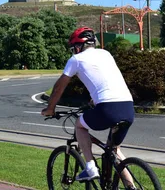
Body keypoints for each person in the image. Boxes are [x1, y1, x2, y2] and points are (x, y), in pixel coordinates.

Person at [41, 27, 136, 186]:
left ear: (78, 46)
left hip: (107, 108)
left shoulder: (76, 60)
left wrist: (50, 108)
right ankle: (131, 186)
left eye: (74, 48)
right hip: (127, 107)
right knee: (114, 150)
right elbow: (104, 79)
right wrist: (94, 100)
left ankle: (91, 167)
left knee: (80, 125)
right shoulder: (106, 54)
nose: (74, 51)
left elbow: (59, 87)